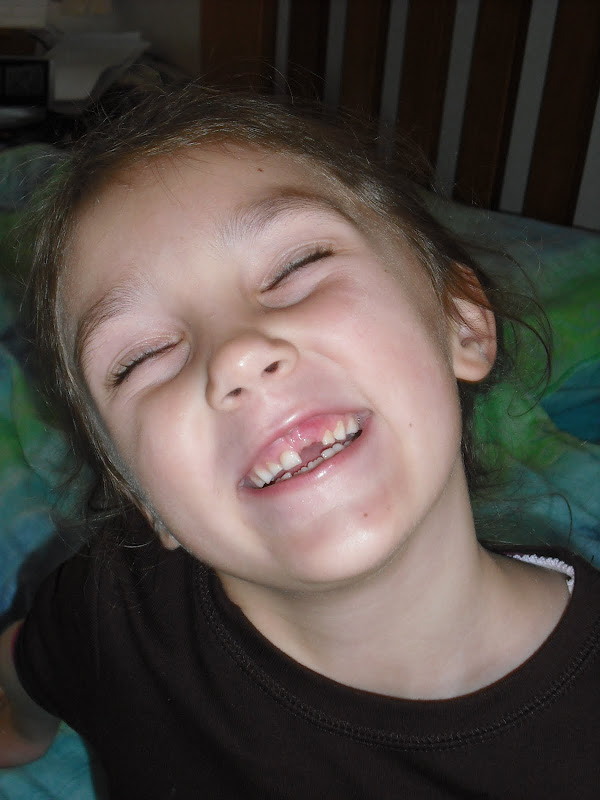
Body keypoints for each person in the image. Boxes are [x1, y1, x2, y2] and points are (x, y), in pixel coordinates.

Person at [0, 84, 598, 798]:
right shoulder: (116, 608)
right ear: (141, 496)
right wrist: (23, 729)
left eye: (296, 266)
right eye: (142, 357)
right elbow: (27, 673)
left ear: (461, 323)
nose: (236, 355)